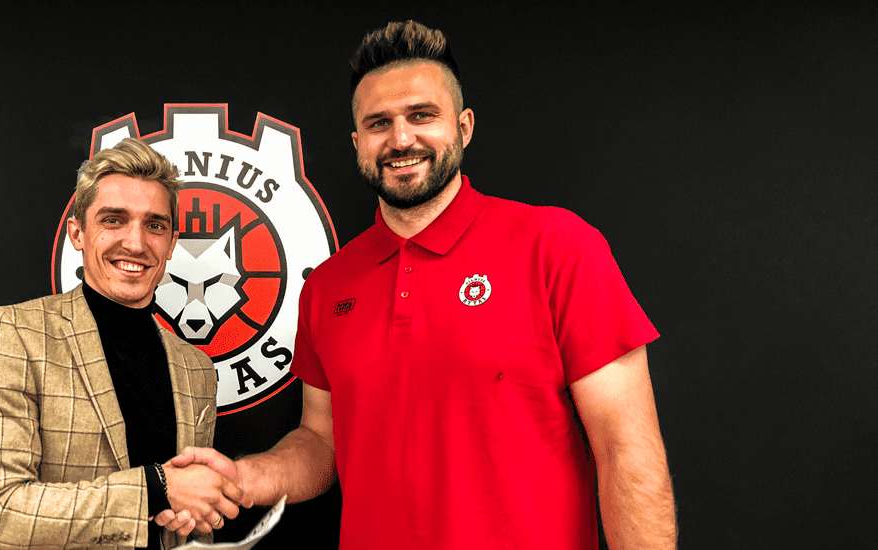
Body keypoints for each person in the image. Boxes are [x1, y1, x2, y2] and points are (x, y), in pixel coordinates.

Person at [165, 20, 677, 550]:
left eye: (421, 116)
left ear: (464, 126)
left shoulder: (558, 247)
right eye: (379, 123)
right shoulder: (327, 286)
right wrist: (243, 479)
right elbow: (321, 443)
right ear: (358, 142)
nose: (401, 139)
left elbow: (627, 452)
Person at [0, 137, 248, 550]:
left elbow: (185, 519)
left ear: (171, 243)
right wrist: (155, 489)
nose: (136, 243)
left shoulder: (195, 368)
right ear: (77, 233)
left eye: (155, 225)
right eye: (113, 220)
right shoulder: (12, 334)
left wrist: (198, 517)